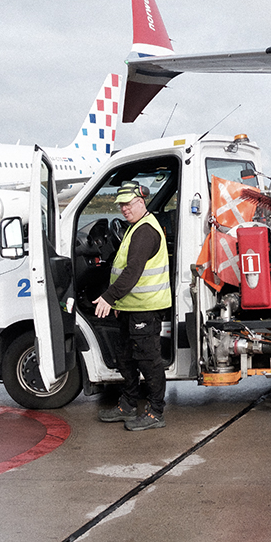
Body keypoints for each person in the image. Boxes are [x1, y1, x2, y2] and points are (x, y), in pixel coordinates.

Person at [94, 181, 172, 430]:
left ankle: (156, 412)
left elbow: (132, 272)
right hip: (130, 307)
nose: (123, 209)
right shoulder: (134, 227)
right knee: (125, 357)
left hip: (145, 309)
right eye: (121, 205)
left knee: (149, 361)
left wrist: (109, 297)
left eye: (127, 204)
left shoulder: (145, 231)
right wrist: (120, 302)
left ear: (141, 203)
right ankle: (128, 405)